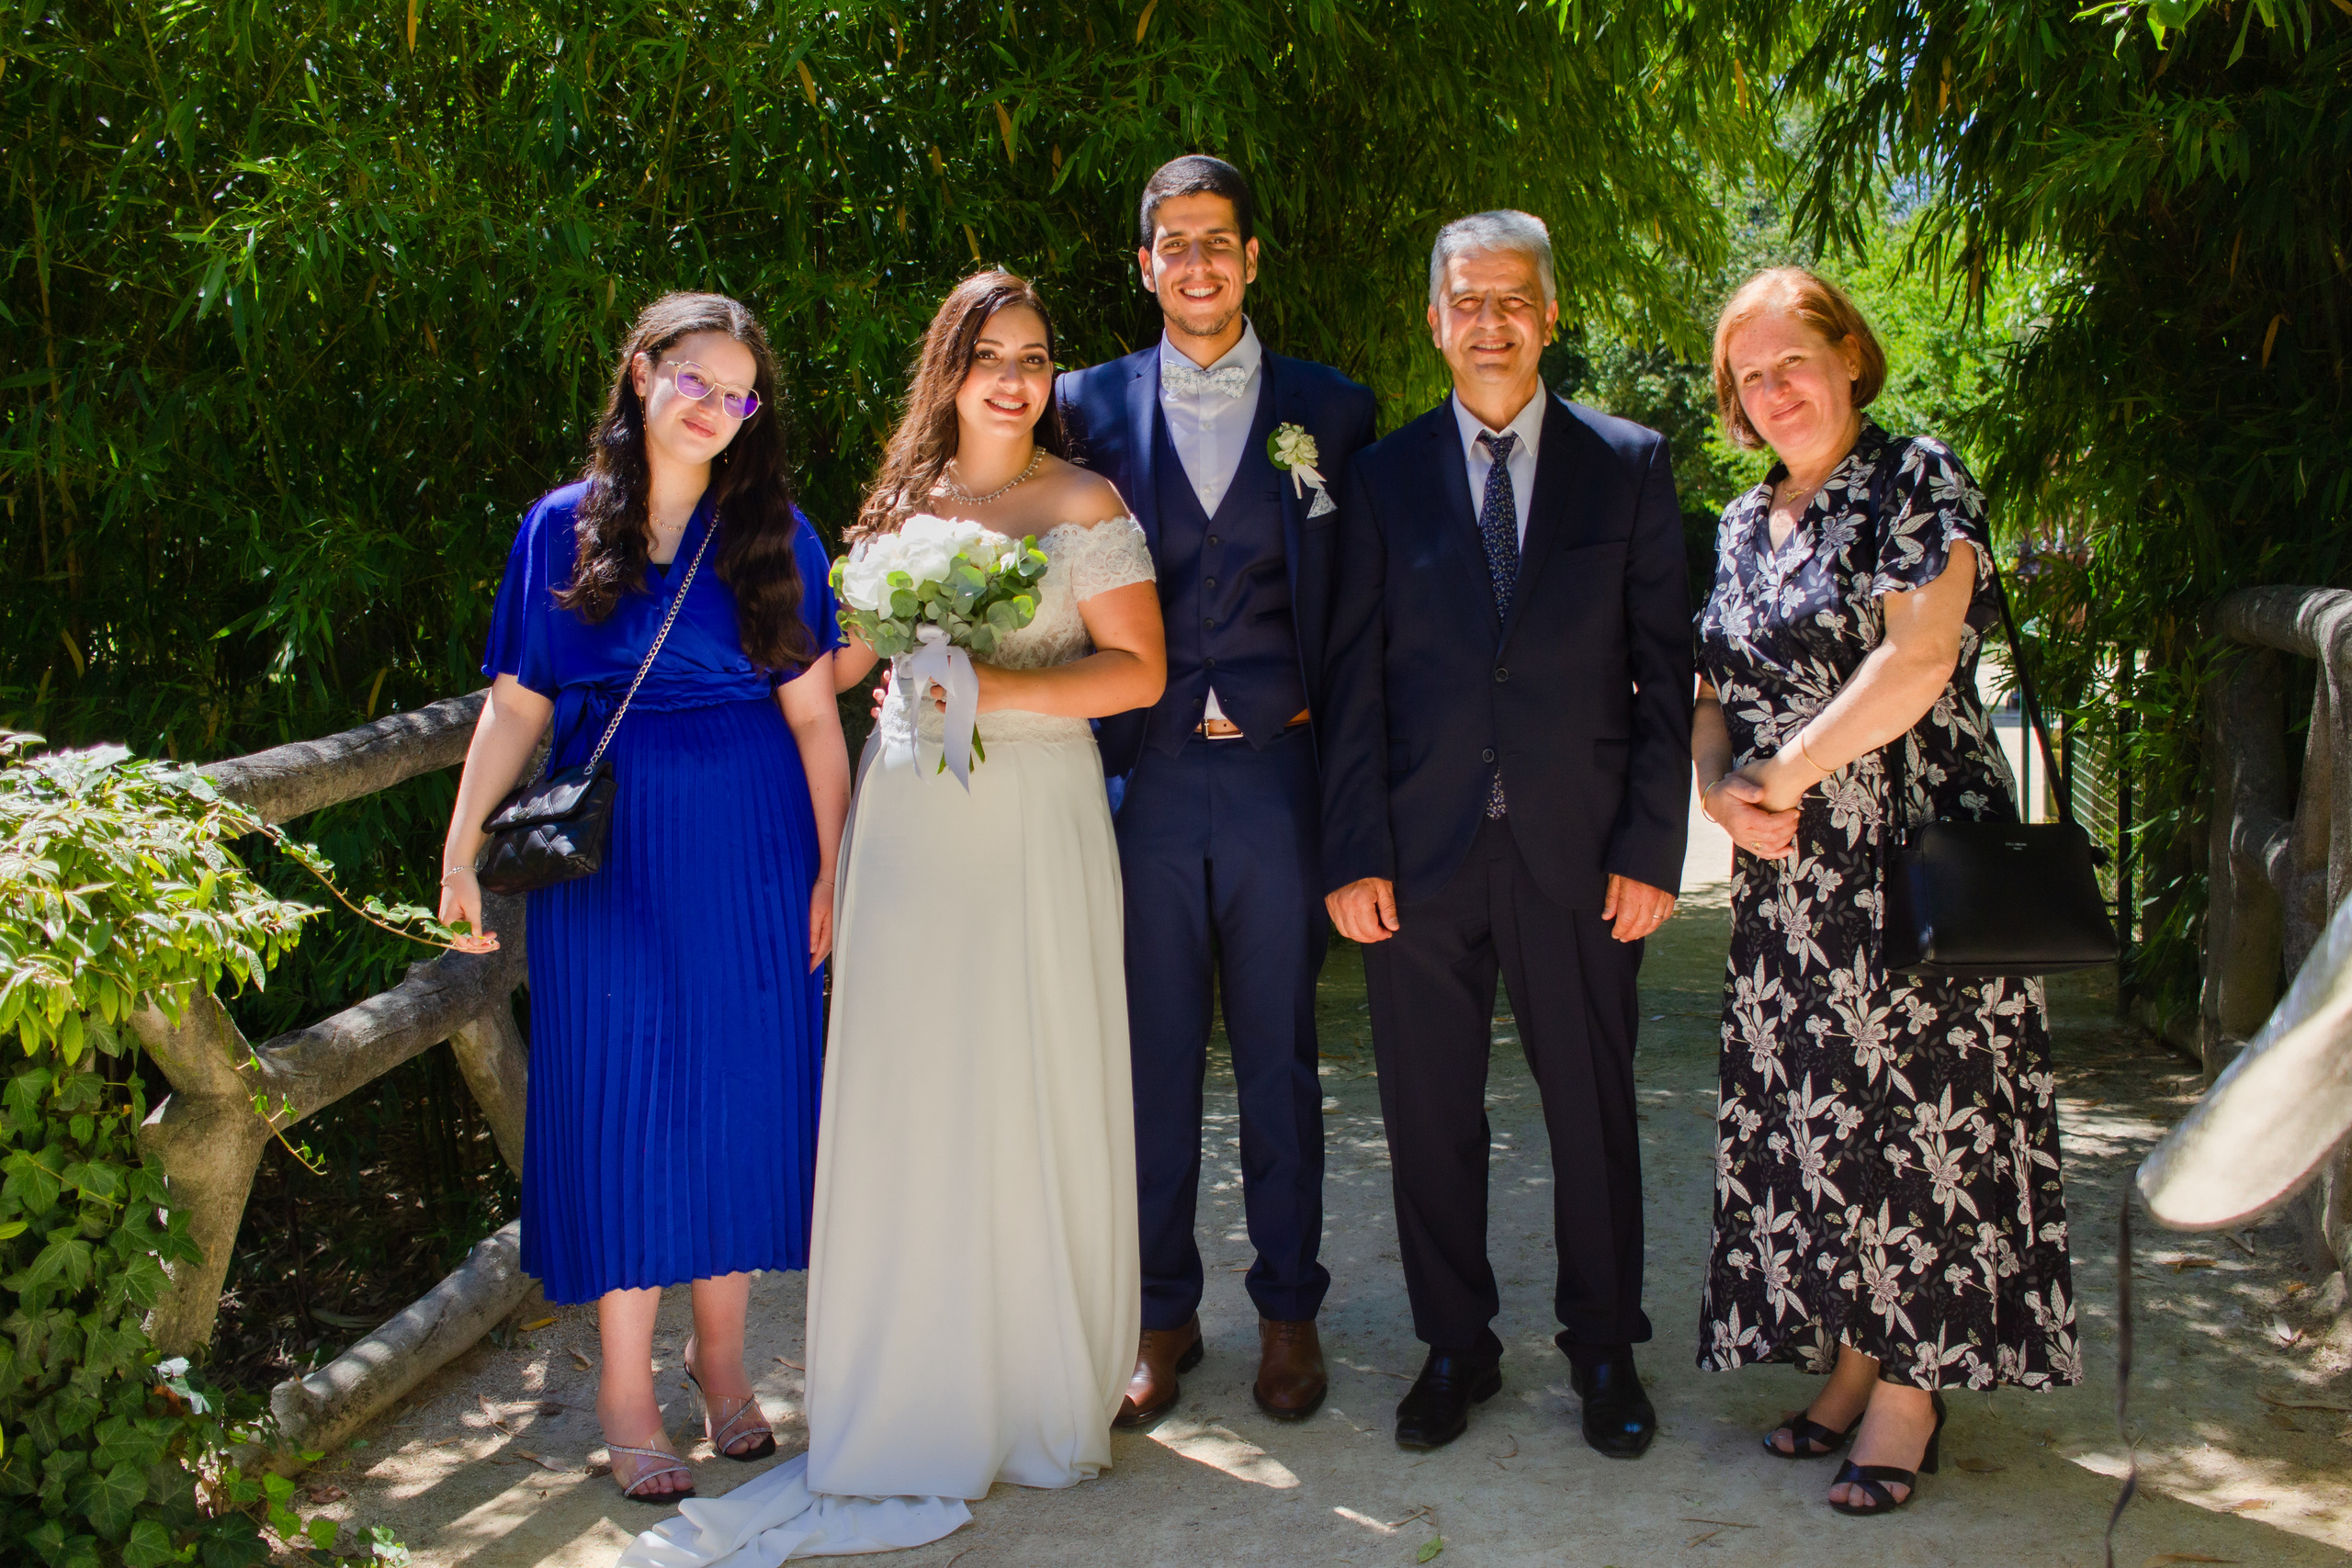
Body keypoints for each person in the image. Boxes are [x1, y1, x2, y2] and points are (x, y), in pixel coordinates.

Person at [619, 270, 1165, 1566]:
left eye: (1034, 357)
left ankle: (1032, 1375)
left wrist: (992, 687)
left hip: (1034, 816)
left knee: (1029, 1069)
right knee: (915, 1083)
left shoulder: (1087, 503)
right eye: (990, 355)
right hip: (912, 818)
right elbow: (832, 668)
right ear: (950, 370)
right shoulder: (897, 508)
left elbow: (1140, 671)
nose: (1015, 379)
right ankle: (917, 1371)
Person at [438, 292, 851, 1502]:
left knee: (740, 1095)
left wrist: (834, 866)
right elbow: (518, 702)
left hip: (754, 843)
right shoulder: (558, 528)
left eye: (739, 394)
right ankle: (625, 1392)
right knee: (619, 1099)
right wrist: (461, 851)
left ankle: (721, 1361)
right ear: (640, 374)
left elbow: (817, 719)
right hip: (610, 853)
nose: (715, 407)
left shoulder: (776, 533)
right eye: (695, 379)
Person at [1691, 266, 2080, 1517]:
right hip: (1790, 879)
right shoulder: (1741, 523)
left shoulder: (1917, 477)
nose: (1774, 391)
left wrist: (1783, 772)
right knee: (1823, 1126)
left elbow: (1918, 658)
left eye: (1793, 362)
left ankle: (1915, 1389)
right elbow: (1709, 688)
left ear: (1850, 356)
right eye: (1750, 376)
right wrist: (1720, 793)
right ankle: (1854, 1357)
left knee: (1929, 1124)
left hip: (1914, 866)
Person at [1318, 211, 1690, 1460]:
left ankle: (1605, 1348)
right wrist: (1353, 851)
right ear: (1436, 320)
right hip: (1419, 855)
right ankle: (1454, 1348)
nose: (1492, 323)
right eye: (1468, 302)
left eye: (1514, 300)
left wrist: (1651, 849)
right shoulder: (1381, 477)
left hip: (1580, 854)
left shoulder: (1628, 465)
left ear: (1551, 314)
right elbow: (1354, 677)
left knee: (1591, 1110)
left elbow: (1664, 672)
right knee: (1429, 1116)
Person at [1054, 154, 1377, 1426]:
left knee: (1282, 1055)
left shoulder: (1332, 410)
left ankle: (1290, 1310)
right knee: (1150, 1057)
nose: (1196, 263)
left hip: (1277, 776)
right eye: (1173, 243)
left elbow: (1360, 614)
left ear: (1251, 259)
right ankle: (1162, 1313)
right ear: (1145, 265)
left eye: (1217, 241)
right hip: (1141, 776)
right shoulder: (1081, 405)